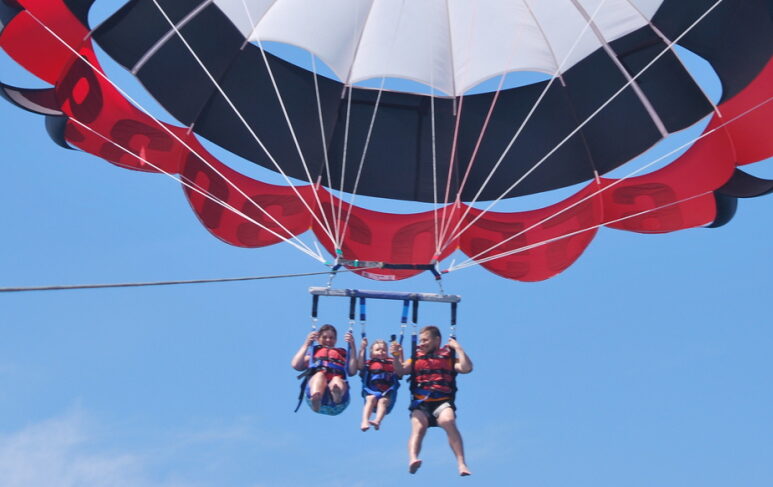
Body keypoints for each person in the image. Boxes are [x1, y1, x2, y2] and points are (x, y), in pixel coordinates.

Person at [393, 325, 473, 476]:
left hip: (442, 401)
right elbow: (400, 371)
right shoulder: (415, 357)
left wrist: (459, 349)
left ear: (437, 341)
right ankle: (413, 458)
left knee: (448, 421)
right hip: (421, 404)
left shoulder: (448, 358)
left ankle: (462, 464)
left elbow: (466, 368)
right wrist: (396, 357)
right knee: (419, 426)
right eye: (420, 340)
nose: (421, 343)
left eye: (425, 340)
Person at [291, 324, 357, 415]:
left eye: (331, 338)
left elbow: (352, 371)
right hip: (316, 395)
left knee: (337, 379)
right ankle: (316, 398)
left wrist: (352, 346)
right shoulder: (314, 352)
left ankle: (336, 396)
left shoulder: (342, 353)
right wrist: (307, 343)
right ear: (318, 339)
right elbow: (296, 365)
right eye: (324, 337)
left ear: (336, 340)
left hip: (339, 403)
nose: (328, 340)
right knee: (319, 375)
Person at [357, 337, 406, 431]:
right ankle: (364, 420)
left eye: (384, 350)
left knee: (382, 401)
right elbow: (360, 366)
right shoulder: (368, 363)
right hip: (371, 390)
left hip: (387, 392)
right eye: (377, 350)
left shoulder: (392, 362)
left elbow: (401, 369)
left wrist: (400, 353)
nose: (381, 352)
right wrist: (362, 348)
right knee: (371, 399)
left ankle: (377, 421)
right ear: (371, 353)